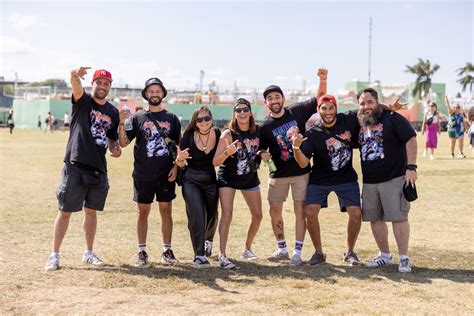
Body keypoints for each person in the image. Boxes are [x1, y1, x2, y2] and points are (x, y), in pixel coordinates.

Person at [44, 67, 121, 271]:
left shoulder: (113, 112)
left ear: (110, 86)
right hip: (75, 164)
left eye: (106, 83)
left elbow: (112, 139)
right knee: (65, 211)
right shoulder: (83, 101)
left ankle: (88, 252)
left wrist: (115, 148)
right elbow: (76, 86)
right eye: (99, 82)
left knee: (91, 212)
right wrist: (73, 74)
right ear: (92, 84)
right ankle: (55, 255)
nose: (102, 86)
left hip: (98, 168)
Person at [258, 68, 327, 266]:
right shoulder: (265, 126)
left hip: (301, 172)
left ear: (283, 98)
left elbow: (319, 98)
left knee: (300, 211)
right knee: (274, 211)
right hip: (277, 175)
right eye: (270, 98)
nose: (274, 100)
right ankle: (282, 249)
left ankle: (297, 251)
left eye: (277, 96)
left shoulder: (296, 111)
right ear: (266, 103)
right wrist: (264, 157)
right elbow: (261, 150)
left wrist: (323, 79)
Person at [292, 95, 362, 267]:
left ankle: (349, 252)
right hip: (320, 178)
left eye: (331, 108)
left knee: (356, 213)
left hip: (345, 176)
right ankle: (318, 252)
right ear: (319, 110)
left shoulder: (348, 119)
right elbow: (303, 162)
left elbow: (368, 108)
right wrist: (295, 147)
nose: (328, 112)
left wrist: (389, 106)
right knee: (310, 211)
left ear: (336, 108)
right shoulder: (312, 133)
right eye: (324, 108)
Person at [118, 77, 181, 267]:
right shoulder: (137, 118)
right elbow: (123, 143)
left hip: (165, 173)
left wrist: (176, 167)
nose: (154, 94)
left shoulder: (172, 119)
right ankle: (142, 251)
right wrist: (121, 124)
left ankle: (167, 250)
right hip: (143, 173)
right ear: (146, 94)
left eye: (158, 91)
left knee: (166, 210)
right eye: (151, 91)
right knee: (142, 211)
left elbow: (179, 146)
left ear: (162, 94)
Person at [357, 88, 417, 273]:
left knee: (398, 218)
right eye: (362, 103)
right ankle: (384, 255)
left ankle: (404, 258)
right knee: (374, 219)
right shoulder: (359, 120)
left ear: (377, 102)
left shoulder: (393, 119)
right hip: (369, 181)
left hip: (394, 177)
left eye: (370, 102)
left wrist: (411, 167)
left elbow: (410, 140)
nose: (366, 106)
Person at [212, 98, 263, 269]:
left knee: (258, 215)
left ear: (250, 112)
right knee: (227, 214)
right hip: (229, 178)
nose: (242, 113)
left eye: (245, 110)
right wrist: (228, 151)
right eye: (238, 110)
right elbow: (215, 161)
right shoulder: (228, 134)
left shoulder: (258, 131)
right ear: (234, 114)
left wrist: (263, 154)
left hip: (249, 178)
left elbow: (262, 149)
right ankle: (222, 254)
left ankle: (247, 248)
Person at [175, 106, 220, 267]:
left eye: (207, 118)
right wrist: (179, 158)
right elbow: (180, 163)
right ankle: (199, 255)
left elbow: (221, 157)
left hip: (210, 180)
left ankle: (209, 239)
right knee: (198, 215)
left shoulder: (218, 134)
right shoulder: (188, 135)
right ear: (195, 122)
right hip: (191, 180)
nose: (204, 122)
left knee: (213, 215)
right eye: (200, 119)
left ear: (211, 119)